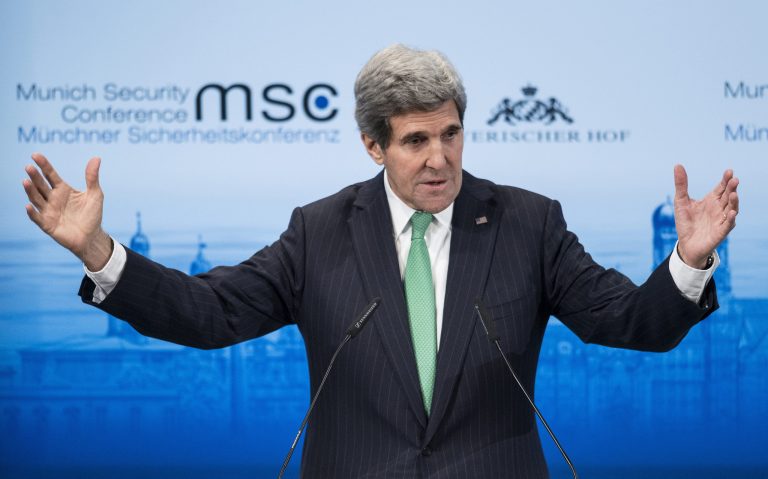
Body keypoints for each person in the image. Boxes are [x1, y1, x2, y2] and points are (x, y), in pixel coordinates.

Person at [22, 44, 739, 478]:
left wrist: (687, 259)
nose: (440, 159)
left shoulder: (529, 223)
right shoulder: (320, 231)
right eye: (416, 140)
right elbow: (210, 314)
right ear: (373, 144)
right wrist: (100, 253)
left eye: (452, 134)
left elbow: (630, 321)